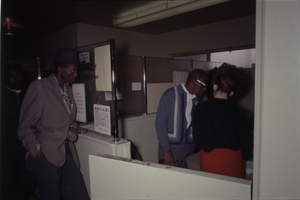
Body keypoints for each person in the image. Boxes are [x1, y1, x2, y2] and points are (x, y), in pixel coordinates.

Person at [17, 48, 90, 200]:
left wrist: (73, 127)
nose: (76, 75)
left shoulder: (68, 90)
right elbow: (24, 128)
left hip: (66, 152)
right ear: (60, 69)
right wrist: (38, 152)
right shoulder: (39, 87)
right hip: (47, 155)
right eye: (73, 71)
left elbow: (70, 119)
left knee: (79, 194)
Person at [192, 63, 253, 178]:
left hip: (209, 159)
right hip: (232, 160)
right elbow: (246, 144)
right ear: (232, 92)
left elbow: (197, 138)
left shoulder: (200, 108)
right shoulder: (238, 112)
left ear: (214, 85)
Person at [155, 69, 208, 168]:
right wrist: (167, 151)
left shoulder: (196, 101)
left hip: (189, 150)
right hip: (171, 150)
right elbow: (160, 124)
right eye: (203, 85)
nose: (204, 89)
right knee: (169, 180)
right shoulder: (170, 95)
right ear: (194, 81)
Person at [1, 64, 37, 200]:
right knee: (8, 179)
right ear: (5, 79)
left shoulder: (30, 93)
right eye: (12, 76)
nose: (17, 79)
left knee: (31, 175)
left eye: (18, 75)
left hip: (26, 141)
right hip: (7, 142)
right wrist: (15, 111)